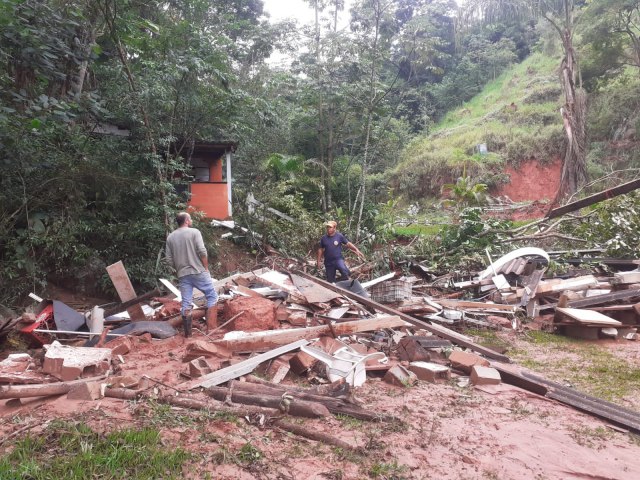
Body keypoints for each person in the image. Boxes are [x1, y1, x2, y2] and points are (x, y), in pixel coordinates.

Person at [165, 212, 218, 337]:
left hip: (183, 274)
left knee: (186, 303)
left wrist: (178, 269)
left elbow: (168, 260)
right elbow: (202, 250)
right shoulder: (195, 232)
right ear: (187, 221)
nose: (192, 220)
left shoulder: (170, 237)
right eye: (190, 219)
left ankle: (188, 335)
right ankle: (211, 330)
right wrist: (206, 267)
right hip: (198, 271)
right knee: (212, 296)